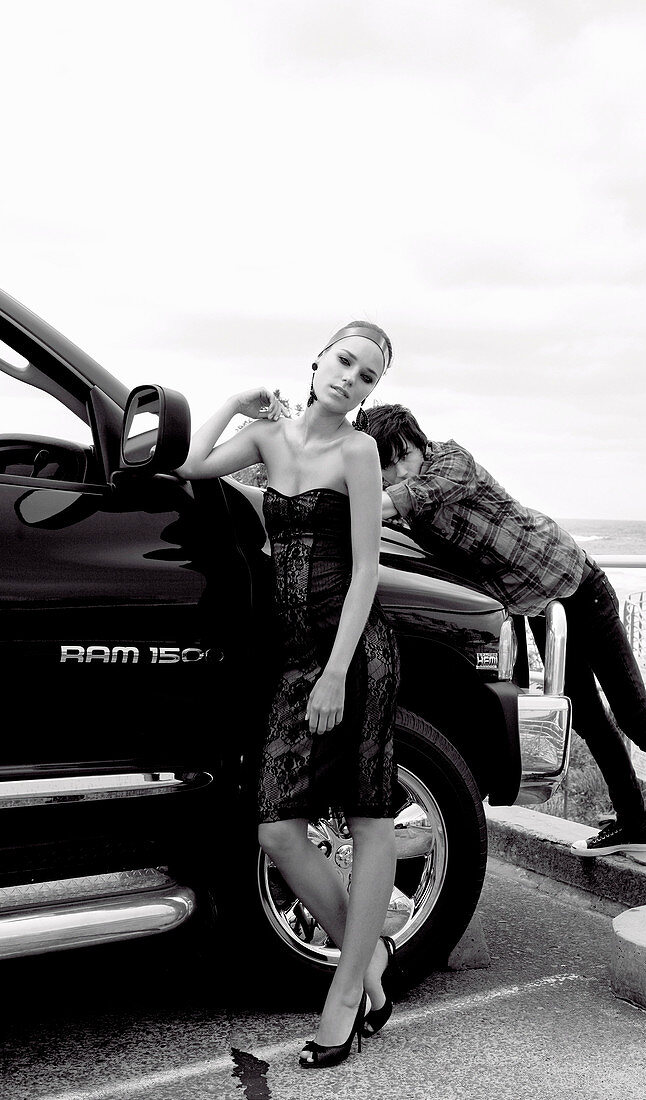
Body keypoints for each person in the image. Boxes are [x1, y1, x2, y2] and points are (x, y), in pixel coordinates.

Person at [365, 403, 646, 904]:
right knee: (588, 719)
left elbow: (409, 496)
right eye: (384, 466)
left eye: (400, 457)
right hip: (539, 605)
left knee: (638, 716)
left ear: (417, 444)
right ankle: (634, 823)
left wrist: (353, 491)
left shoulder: (451, 463)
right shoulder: (413, 507)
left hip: (580, 588)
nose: (396, 472)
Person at [176, 323, 400, 1068]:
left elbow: (366, 568)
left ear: (370, 391)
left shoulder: (358, 451)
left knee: (369, 820)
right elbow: (192, 465)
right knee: (276, 828)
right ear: (317, 360)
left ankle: (343, 998)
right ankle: (367, 961)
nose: (349, 378)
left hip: (355, 653)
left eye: (366, 375)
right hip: (295, 656)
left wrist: (337, 672)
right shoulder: (270, 439)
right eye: (343, 361)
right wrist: (236, 402)